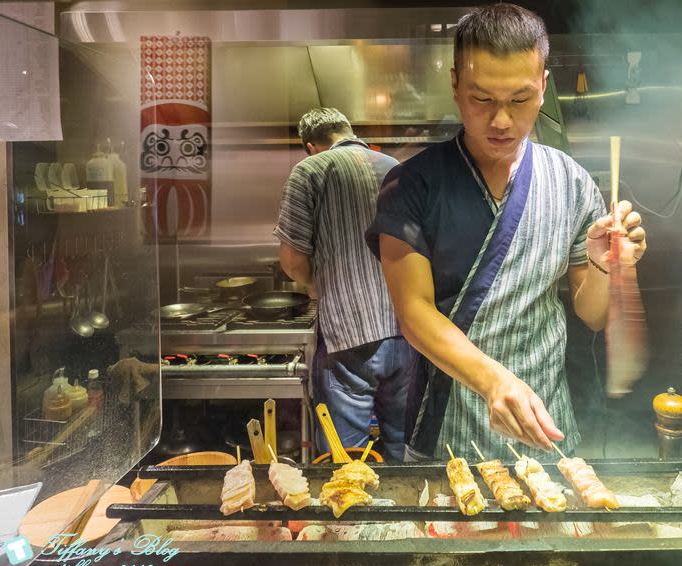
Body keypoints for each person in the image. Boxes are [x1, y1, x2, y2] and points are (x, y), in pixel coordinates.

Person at [365, 4, 647, 461]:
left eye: (518, 100)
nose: (501, 121)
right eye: (482, 99)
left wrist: (604, 264)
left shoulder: (572, 182)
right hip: (449, 432)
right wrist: (494, 381)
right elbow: (413, 314)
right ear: (456, 86)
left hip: (547, 427)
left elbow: (592, 315)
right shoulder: (411, 185)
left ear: (543, 88)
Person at [275, 108, 414, 461]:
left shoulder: (309, 170)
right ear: (349, 131)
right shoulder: (396, 169)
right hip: (410, 332)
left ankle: (350, 516)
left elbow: (292, 260)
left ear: (310, 146)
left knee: (346, 458)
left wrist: (313, 283)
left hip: (349, 336)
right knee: (403, 449)